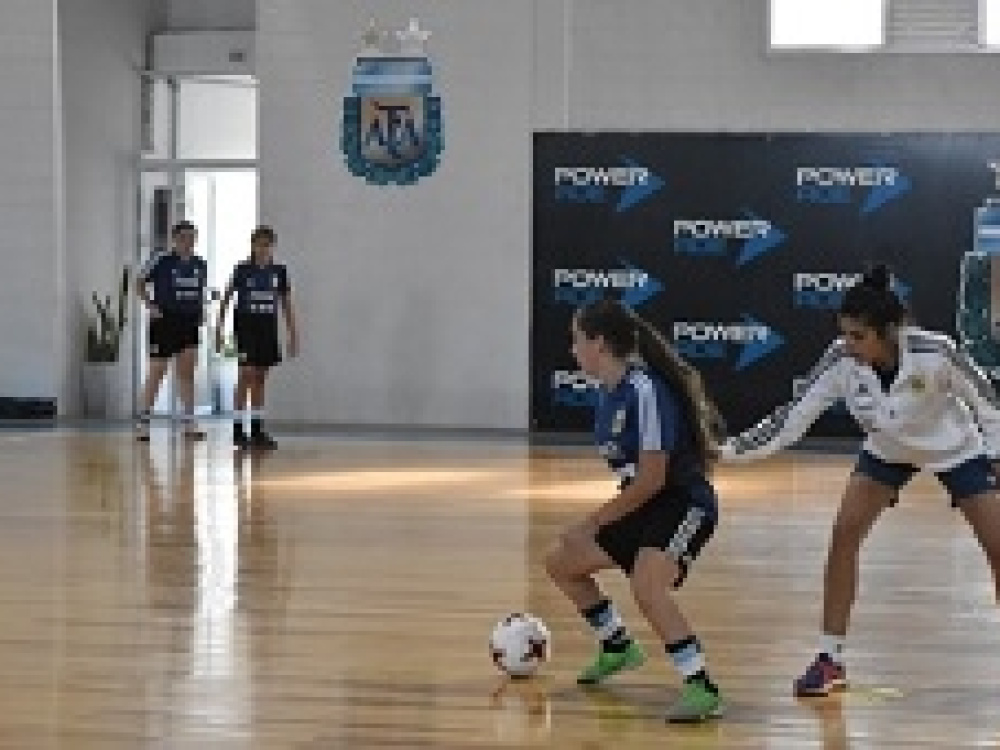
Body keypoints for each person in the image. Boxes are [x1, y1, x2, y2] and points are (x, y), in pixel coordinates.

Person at [721, 264, 1000, 697]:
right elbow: (791, 421)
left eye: (858, 336)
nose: (848, 345)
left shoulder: (936, 352)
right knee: (844, 533)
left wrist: (996, 456)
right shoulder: (840, 361)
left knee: (998, 547)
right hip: (887, 449)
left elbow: (988, 404)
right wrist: (726, 453)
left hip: (954, 448)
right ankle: (829, 659)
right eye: (845, 334)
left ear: (888, 332)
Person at [544, 297, 725, 723]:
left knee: (648, 586)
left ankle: (701, 686)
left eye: (576, 339)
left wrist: (590, 523)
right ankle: (617, 645)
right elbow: (636, 484)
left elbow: (652, 479)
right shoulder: (608, 393)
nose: (573, 349)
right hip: (643, 502)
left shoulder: (646, 391)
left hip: (682, 503)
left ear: (599, 343)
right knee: (560, 563)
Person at [215, 225, 299, 449]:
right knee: (246, 374)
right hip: (244, 327)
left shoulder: (279, 271)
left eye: (268, 245)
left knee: (261, 378)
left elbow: (286, 304)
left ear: (273, 247)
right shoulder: (242, 269)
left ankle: (257, 430)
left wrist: (293, 333)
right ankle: (237, 430)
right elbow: (226, 299)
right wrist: (219, 329)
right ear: (252, 246)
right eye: (259, 245)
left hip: (267, 327)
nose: (263, 249)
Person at [134, 220, 208, 441]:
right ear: (175, 239)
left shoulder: (200, 264)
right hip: (164, 321)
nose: (188, 241)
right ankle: (143, 422)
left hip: (189, 323)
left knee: (187, 373)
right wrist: (150, 305)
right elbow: (139, 282)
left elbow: (199, 291)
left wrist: (201, 311)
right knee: (157, 371)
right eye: (183, 237)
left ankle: (189, 423)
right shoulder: (160, 259)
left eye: (192, 237)